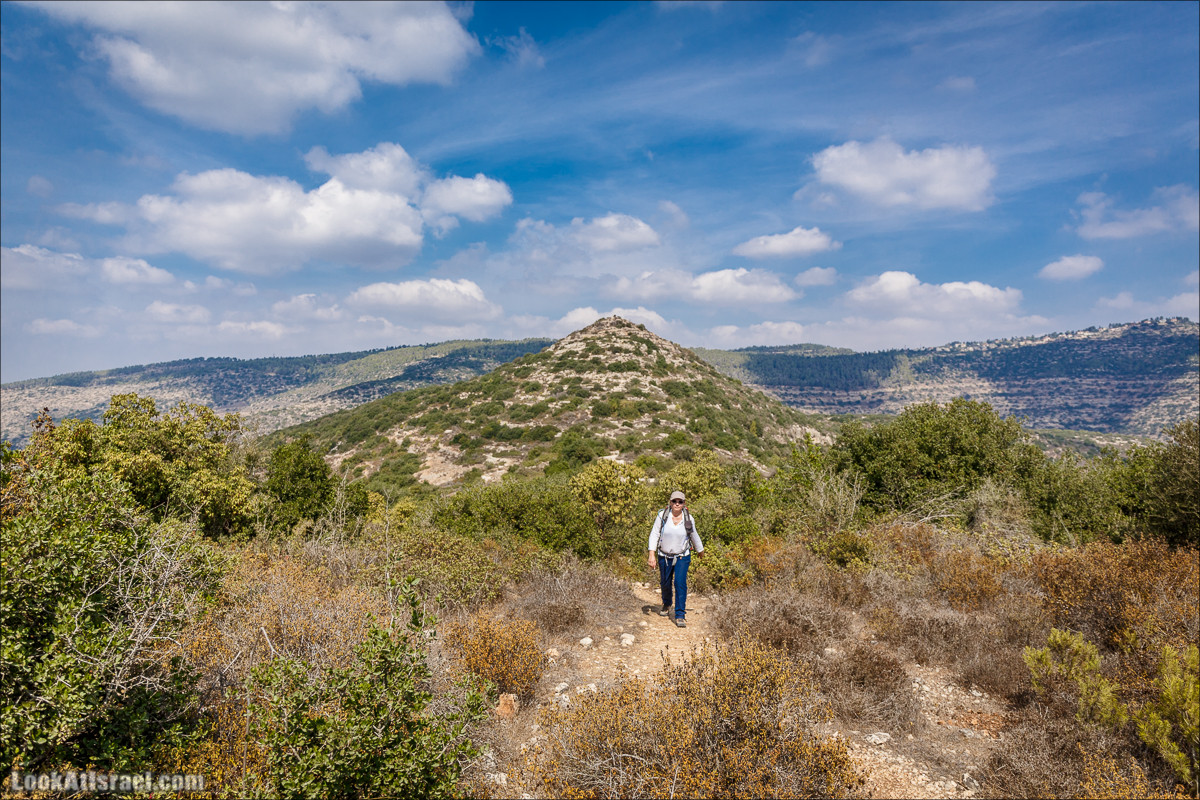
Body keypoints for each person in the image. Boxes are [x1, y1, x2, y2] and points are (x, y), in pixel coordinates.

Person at [647, 489, 704, 627]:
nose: (677, 504)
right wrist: (651, 554)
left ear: (684, 503)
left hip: (682, 556)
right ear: (670, 503)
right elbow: (654, 534)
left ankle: (679, 615)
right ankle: (667, 604)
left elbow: (694, 535)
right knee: (665, 583)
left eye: (680, 501)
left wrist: (700, 551)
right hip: (664, 556)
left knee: (680, 583)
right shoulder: (662, 516)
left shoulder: (689, 519)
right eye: (674, 501)